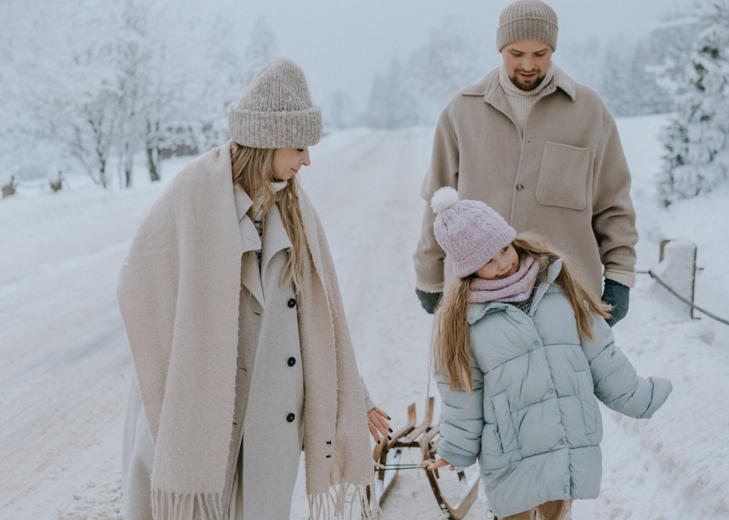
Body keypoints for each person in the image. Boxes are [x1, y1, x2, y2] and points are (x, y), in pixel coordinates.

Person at [118, 57, 388, 520]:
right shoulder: (192, 198)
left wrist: (355, 398)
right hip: (199, 407)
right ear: (268, 143)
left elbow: (322, 320)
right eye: (299, 147)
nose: (308, 159)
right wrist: (177, 361)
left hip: (268, 413)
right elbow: (139, 281)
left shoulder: (295, 210)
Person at [425, 187, 671, 520]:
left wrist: (639, 396)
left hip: (564, 441)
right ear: (467, 268)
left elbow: (601, 354)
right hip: (511, 453)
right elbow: (462, 393)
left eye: (503, 249)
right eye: (486, 260)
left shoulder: (558, 289)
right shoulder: (465, 321)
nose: (502, 264)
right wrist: (456, 448)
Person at [414, 0, 638, 327]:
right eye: (516, 54)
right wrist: (429, 274)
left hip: (567, 296)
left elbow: (613, 203)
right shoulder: (460, 111)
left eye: (541, 53)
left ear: (553, 50)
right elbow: (439, 200)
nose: (529, 64)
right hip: (479, 297)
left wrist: (619, 274)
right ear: (501, 48)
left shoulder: (590, 112)